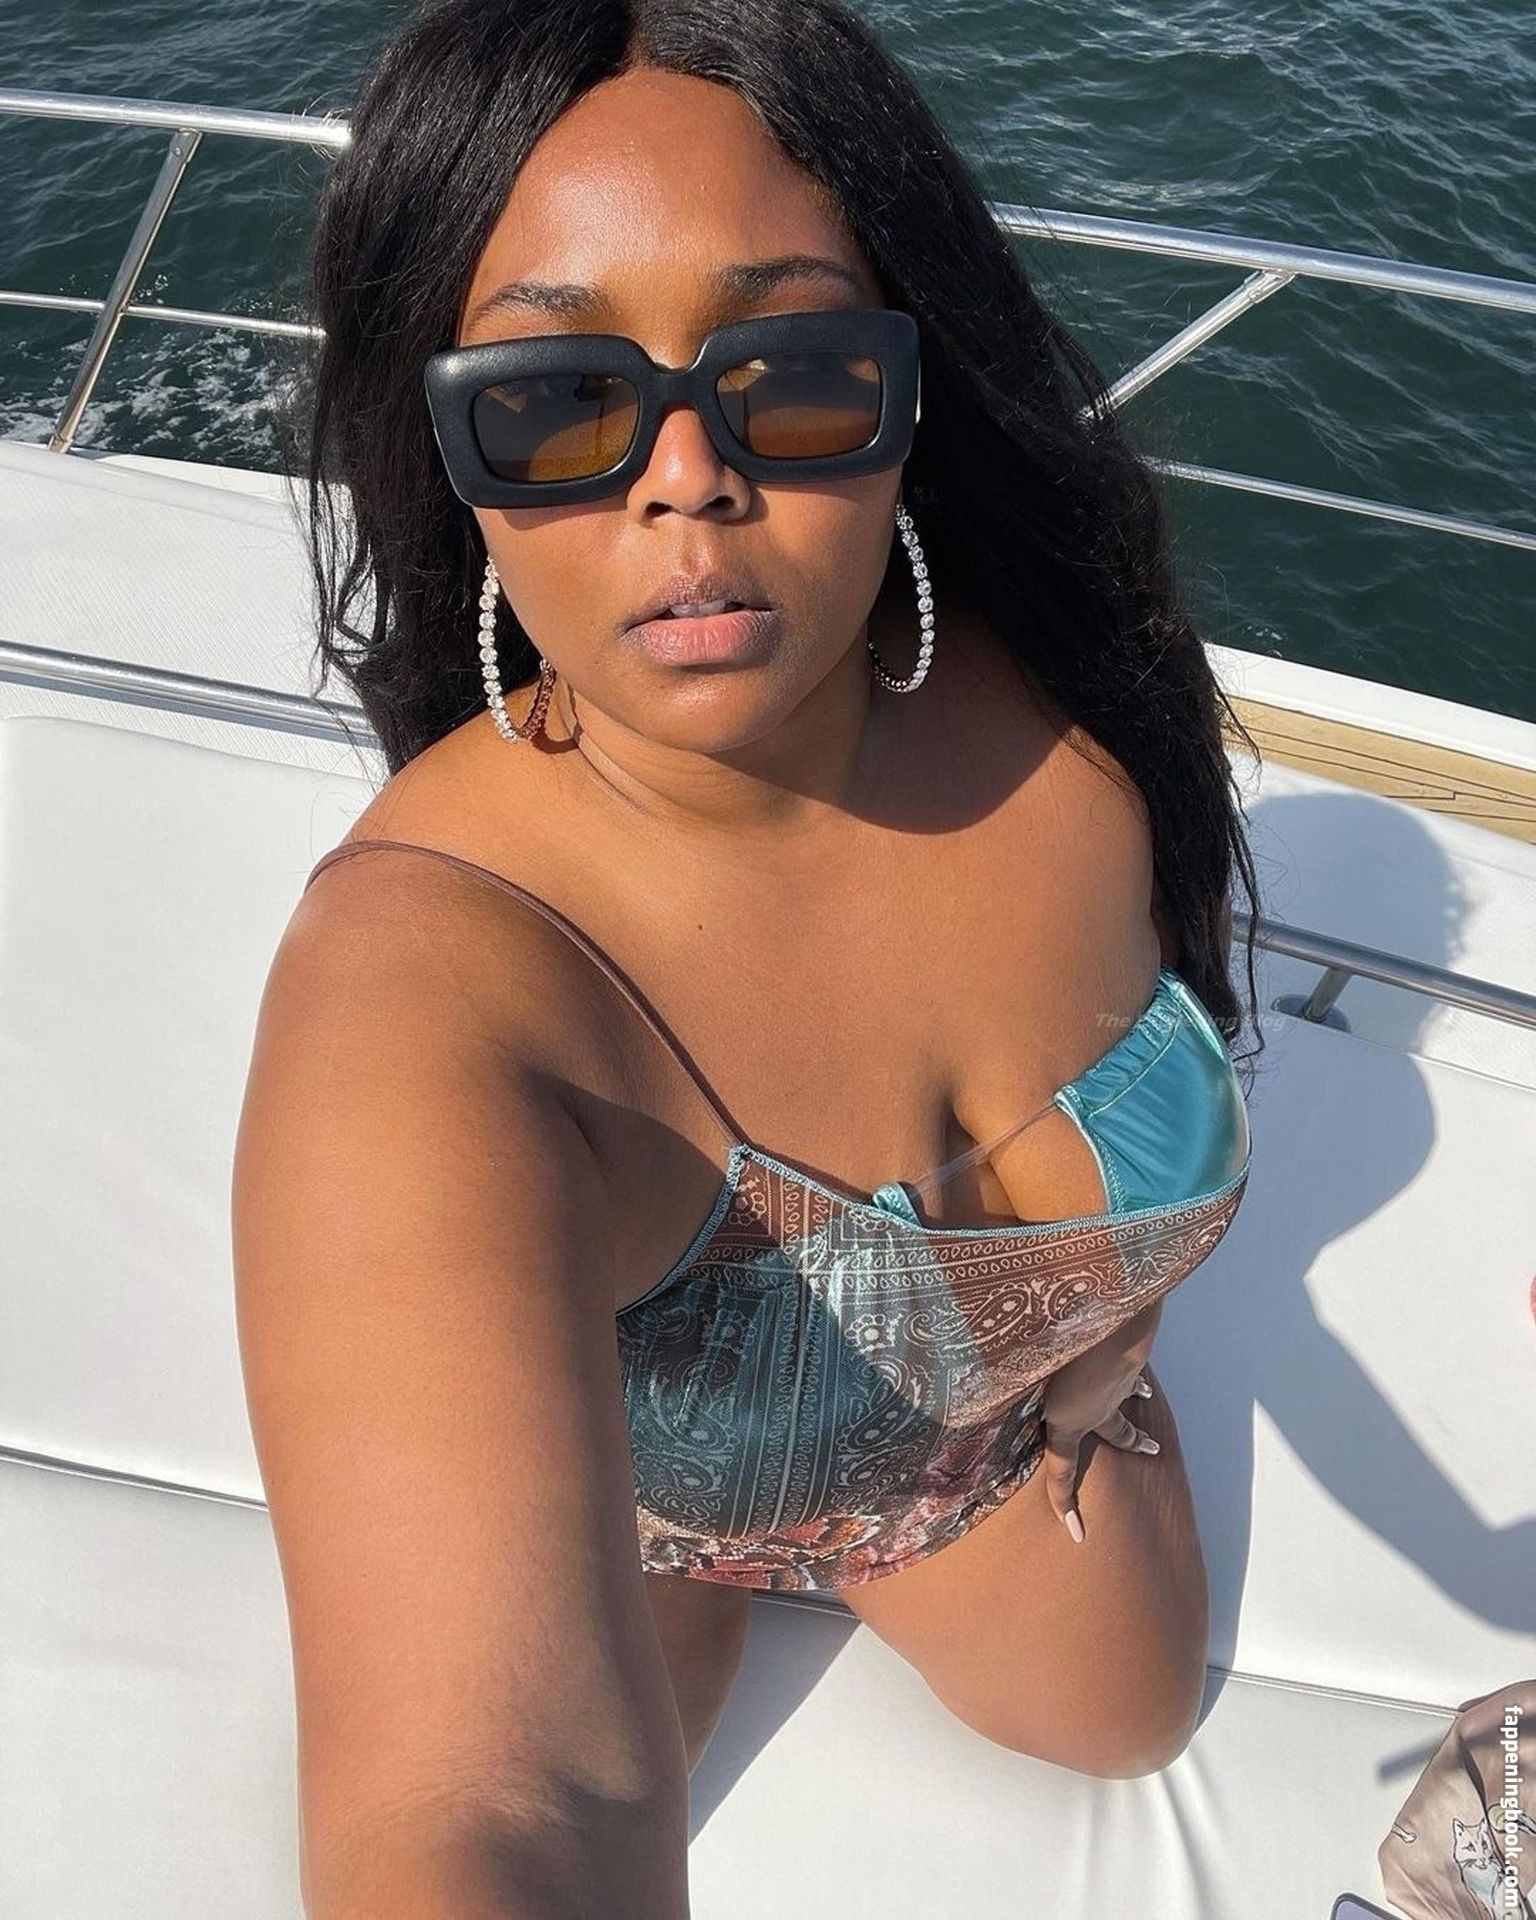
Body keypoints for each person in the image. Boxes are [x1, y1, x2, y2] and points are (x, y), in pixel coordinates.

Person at [234, 1, 1266, 1912]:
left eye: (790, 376)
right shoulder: (433, 993)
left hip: (990, 1459)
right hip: (649, 1509)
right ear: (449, 451)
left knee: (1128, 1716)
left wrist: (1097, 1365)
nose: (687, 478)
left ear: (909, 393)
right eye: (558, 401)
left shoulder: (1088, 719)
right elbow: (497, 1796)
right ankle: (681, 1546)